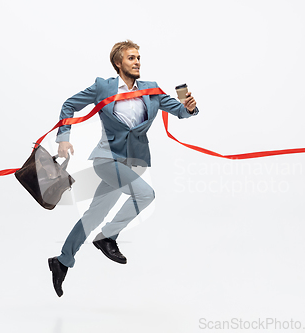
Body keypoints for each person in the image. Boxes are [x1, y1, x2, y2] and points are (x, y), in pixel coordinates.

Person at [48, 40, 199, 297]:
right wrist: (64, 137)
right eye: (131, 58)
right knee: (146, 194)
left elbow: (180, 111)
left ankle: (62, 260)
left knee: (93, 215)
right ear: (118, 63)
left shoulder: (151, 90)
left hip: (133, 164)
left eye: (139, 57)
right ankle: (107, 237)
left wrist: (189, 108)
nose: (137, 61)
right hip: (107, 160)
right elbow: (69, 105)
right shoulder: (103, 87)